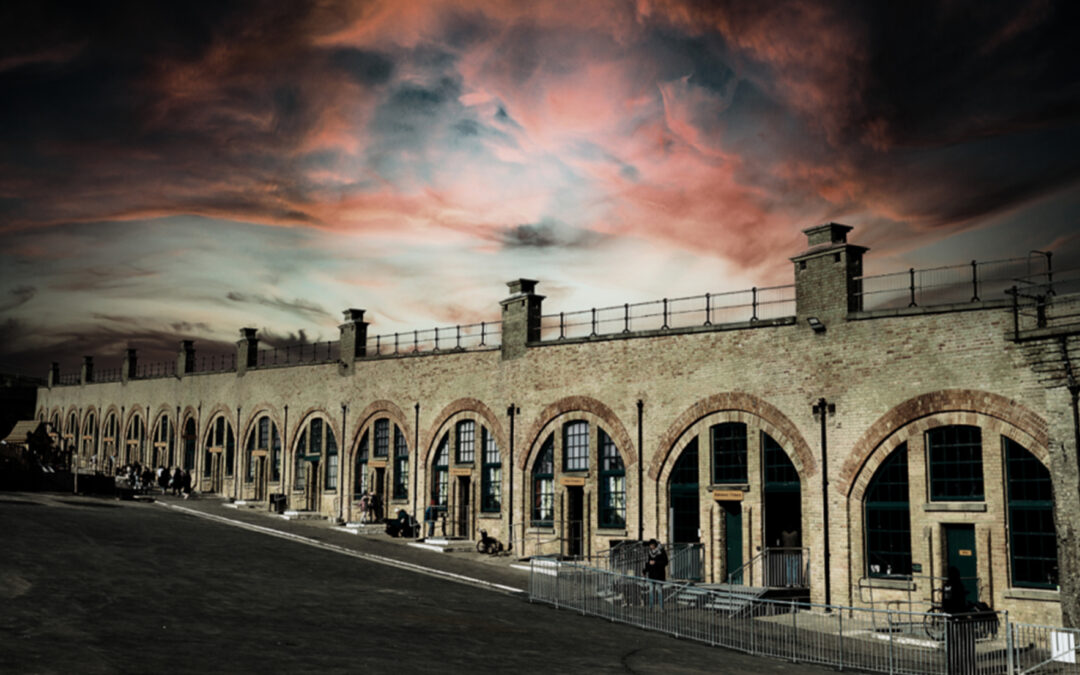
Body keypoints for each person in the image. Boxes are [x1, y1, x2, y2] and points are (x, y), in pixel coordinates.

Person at [643, 539, 668, 609]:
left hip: (659, 574)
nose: (651, 547)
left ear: (655, 545)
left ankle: (661, 607)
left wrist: (656, 562)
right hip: (651, 574)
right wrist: (645, 570)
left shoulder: (661, 551)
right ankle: (651, 607)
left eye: (652, 545)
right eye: (650, 545)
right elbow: (648, 562)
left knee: (659, 591)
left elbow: (665, 562)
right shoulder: (650, 552)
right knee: (651, 591)